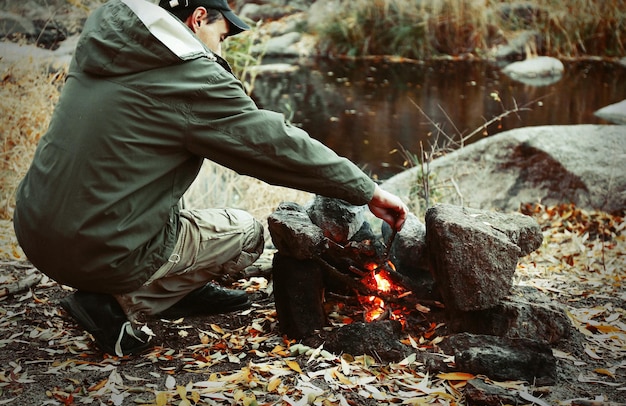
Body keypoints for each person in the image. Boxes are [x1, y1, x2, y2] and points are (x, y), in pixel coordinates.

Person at [12, 0, 408, 357]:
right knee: (248, 234)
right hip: (98, 251)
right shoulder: (189, 73)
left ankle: (179, 286)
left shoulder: (104, 47)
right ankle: (127, 302)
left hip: (34, 231)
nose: (221, 48)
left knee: (156, 163)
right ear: (198, 17)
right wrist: (366, 189)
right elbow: (273, 143)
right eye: (221, 36)